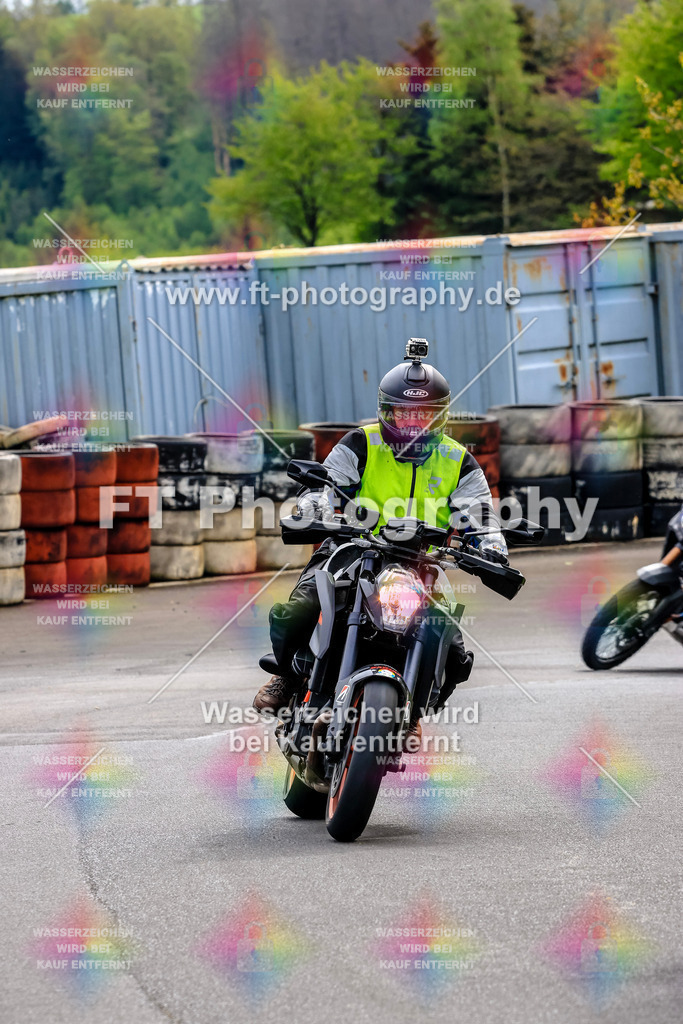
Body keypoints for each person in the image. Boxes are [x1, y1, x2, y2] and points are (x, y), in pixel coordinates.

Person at [253, 339, 508, 726]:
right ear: (385, 411)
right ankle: (287, 676)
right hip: (355, 547)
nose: (413, 424)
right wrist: (313, 508)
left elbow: (481, 513)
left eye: (423, 415)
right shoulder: (361, 441)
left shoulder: (460, 460)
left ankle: (410, 714)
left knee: (454, 654)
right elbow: (325, 485)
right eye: (403, 414)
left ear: (440, 417)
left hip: (424, 562)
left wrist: (489, 545)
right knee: (300, 609)